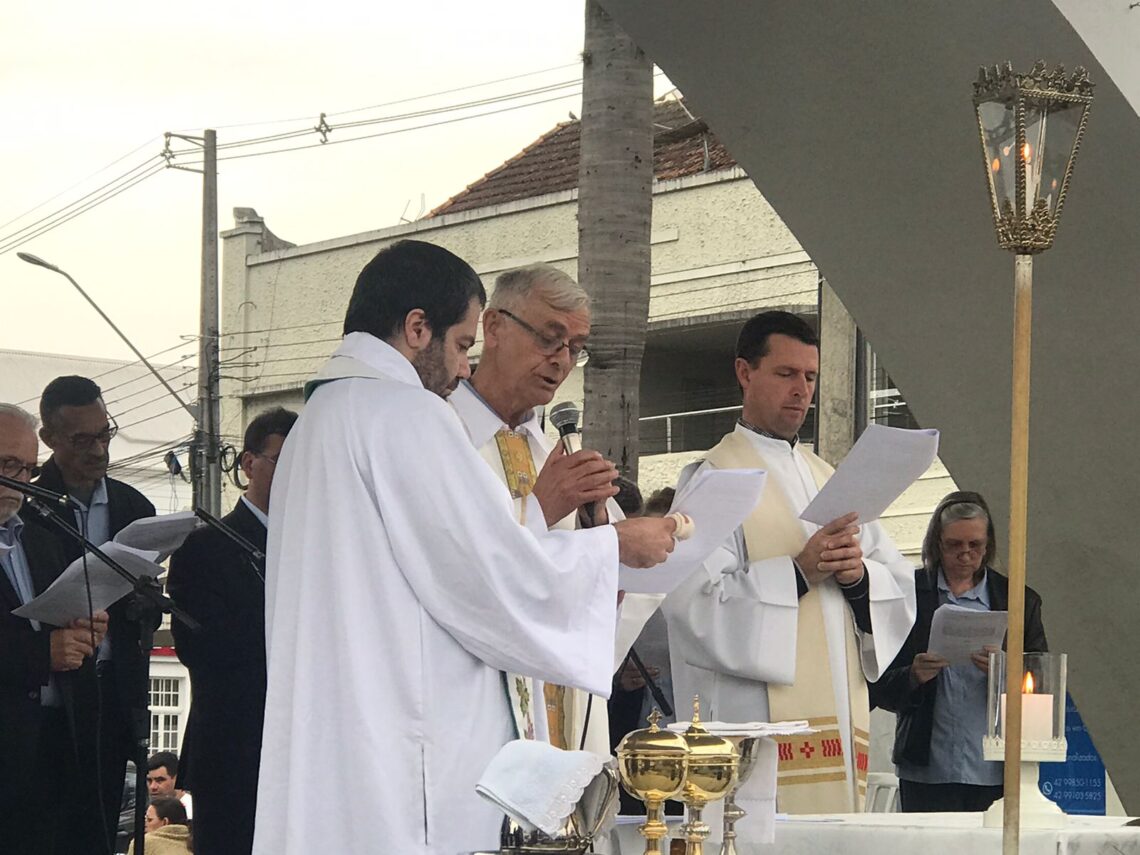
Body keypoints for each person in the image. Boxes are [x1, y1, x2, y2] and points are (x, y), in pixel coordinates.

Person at [253, 239, 679, 855]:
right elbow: (491, 576)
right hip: (406, 740)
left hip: (335, 732)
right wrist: (614, 546)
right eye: (461, 345)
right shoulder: (406, 415)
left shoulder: (316, 424)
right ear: (417, 328)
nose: (461, 370)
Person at [662, 310, 917, 813]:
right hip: (757, 722)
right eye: (785, 374)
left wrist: (858, 577)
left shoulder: (832, 476)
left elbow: (898, 585)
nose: (802, 390)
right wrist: (799, 572)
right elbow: (692, 604)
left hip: (838, 723)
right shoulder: (713, 478)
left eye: (810, 376)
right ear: (744, 373)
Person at [448, 264, 661, 753]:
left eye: (575, 348)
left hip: (567, 718)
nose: (562, 361)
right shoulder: (443, 436)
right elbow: (465, 572)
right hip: (479, 722)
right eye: (550, 338)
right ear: (494, 327)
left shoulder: (553, 453)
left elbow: (599, 617)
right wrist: (543, 506)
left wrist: (601, 538)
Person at [27, 375, 156, 849]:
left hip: (115, 698)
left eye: (105, 434)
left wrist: (144, 601)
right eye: (82, 439)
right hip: (50, 704)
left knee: (102, 834)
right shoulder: (30, 506)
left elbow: (146, 613)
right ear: (49, 440)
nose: (99, 450)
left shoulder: (133, 506)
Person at [167, 406, 297, 854]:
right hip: (232, 748)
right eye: (284, 460)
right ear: (248, 464)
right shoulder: (205, 546)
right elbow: (197, 646)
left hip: (303, 748)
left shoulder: (314, 543)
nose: (296, 474)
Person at [871, 491, 1048, 812]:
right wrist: (912, 676)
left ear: (988, 545)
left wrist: (1009, 671)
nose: (965, 554)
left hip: (995, 765)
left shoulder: (1018, 600)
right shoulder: (909, 594)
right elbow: (875, 684)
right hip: (926, 766)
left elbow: (1042, 679)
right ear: (937, 544)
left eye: (975, 545)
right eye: (954, 545)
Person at [0, 403, 109, 854]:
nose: (20, 480)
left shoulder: (42, 538)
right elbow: (36, 647)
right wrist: (40, 655)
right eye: (7, 464)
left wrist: (85, 625)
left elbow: (51, 625)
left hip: (51, 751)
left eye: (27, 468)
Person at [127, 796, 192, 855]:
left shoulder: (143, 843)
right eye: (145, 819)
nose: (145, 824)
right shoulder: (196, 843)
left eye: (149, 820)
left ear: (165, 822)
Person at [147, 751, 193, 819]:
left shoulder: (191, 813)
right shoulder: (147, 810)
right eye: (149, 780)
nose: (153, 787)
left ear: (177, 779)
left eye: (160, 780)